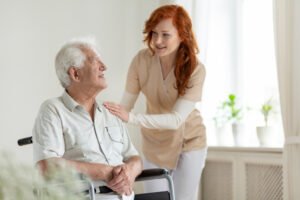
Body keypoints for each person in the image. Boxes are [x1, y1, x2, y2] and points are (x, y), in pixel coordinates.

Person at [104, 5, 207, 200]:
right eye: (154, 33)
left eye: (166, 35)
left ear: (182, 35)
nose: (157, 41)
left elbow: (176, 119)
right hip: (154, 144)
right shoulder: (141, 61)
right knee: (158, 198)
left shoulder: (195, 69)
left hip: (189, 142)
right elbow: (124, 106)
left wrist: (131, 118)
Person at [32, 38, 142, 200]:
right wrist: (103, 172)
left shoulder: (109, 110)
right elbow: (46, 166)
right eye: (95, 61)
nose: (104, 67)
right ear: (75, 73)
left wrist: (130, 171)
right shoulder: (53, 109)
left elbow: (134, 157)